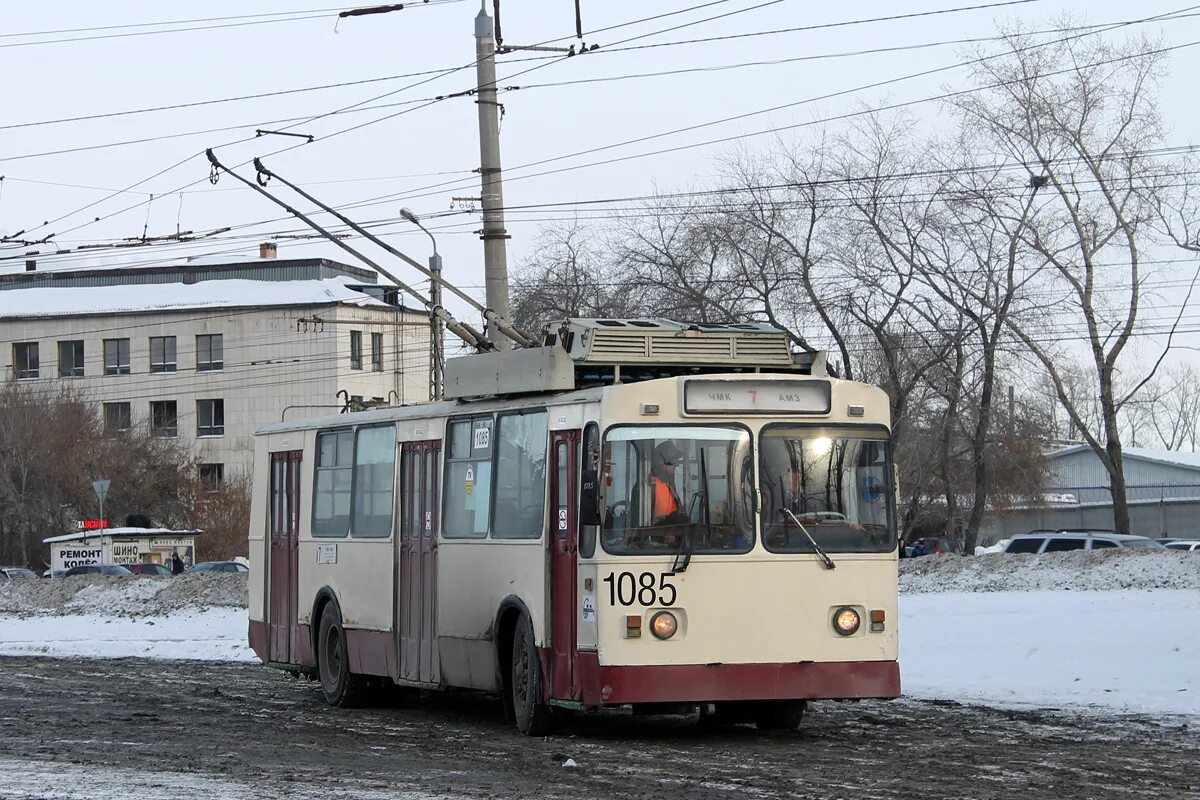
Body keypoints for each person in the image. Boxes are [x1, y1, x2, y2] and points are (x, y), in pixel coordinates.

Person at [649, 441, 687, 526]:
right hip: (660, 536)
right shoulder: (652, 486)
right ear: (661, 462)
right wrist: (667, 535)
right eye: (673, 460)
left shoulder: (667, 483)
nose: (677, 464)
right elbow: (657, 521)